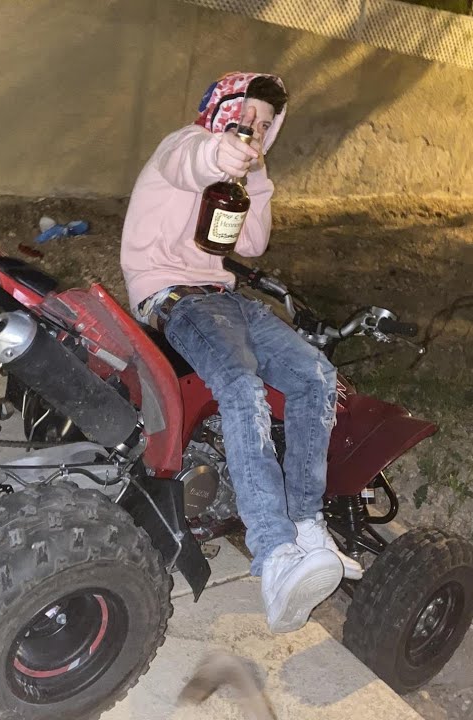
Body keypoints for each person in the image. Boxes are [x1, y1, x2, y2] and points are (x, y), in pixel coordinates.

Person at [120, 72, 361, 634]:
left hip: (223, 297)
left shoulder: (244, 176)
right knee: (242, 386)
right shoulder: (182, 145)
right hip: (171, 295)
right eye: (246, 115)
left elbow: (251, 243)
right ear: (222, 109)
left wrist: (255, 174)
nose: (254, 128)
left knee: (316, 376)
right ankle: (274, 554)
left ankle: (306, 527)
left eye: (265, 124)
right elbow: (194, 161)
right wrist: (222, 150)